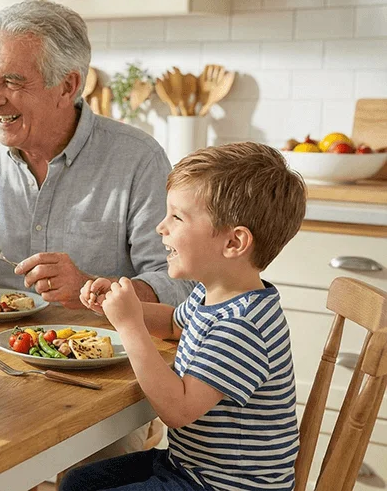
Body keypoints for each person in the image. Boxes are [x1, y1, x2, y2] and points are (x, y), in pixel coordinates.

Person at [63, 142, 305, 491]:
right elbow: (175, 323)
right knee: (79, 482)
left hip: (224, 485)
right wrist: (120, 304)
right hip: (189, 466)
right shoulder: (216, 295)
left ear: (234, 243)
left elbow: (176, 410)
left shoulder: (243, 325)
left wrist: (129, 325)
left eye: (177, 217)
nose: (161, 227)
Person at [0, 0, 194, 308]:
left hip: (96, 349)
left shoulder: (137, 159)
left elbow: (180, 286)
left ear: (67, 87)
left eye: (12, 82)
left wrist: (89, 287)